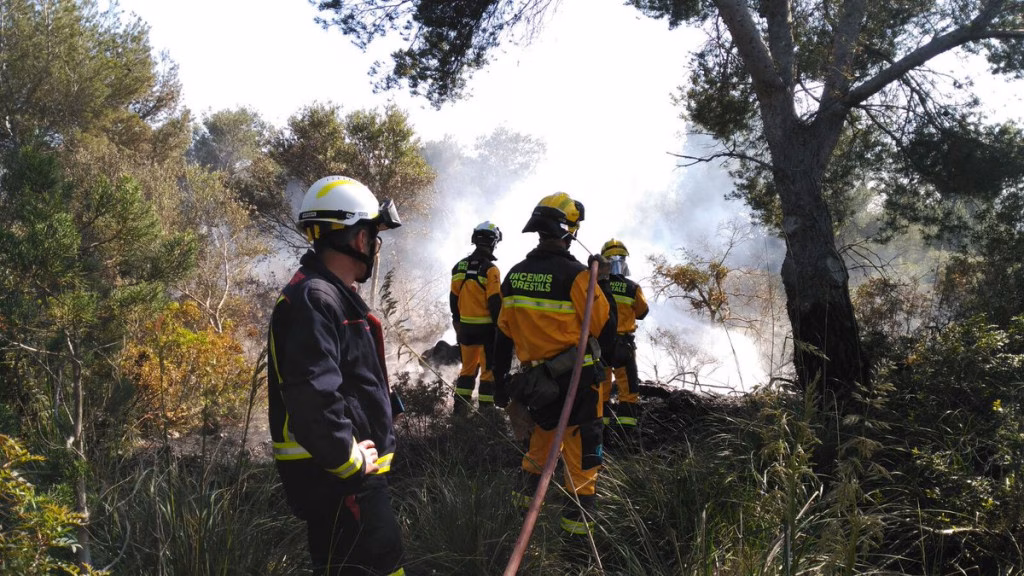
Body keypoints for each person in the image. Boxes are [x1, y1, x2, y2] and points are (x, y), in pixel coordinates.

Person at [267, 175, 407, 576]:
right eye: (373, 236)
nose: (376, 247)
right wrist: (350, 463)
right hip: (340, 481)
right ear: (360, 240)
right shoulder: (316, 299)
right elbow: (314, 394)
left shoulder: (328, 294)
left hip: (342, 479)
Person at [492, 192, 616, 540]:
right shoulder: (578, 278)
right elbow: (606, 336)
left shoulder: (515, 275)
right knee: (582, 469)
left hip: (538, 390)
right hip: (578, 392)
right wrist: (601, 282)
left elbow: (502, 337)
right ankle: (576, 551)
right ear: (569, 232)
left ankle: (516, 534)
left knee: (536, 458)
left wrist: (500, 384)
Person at [449, 221, 503, 416]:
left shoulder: (458, 267)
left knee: (467, 370)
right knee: (488, 373)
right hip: (487, 330)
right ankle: (486, 415)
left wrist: (457, 322)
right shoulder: (491, 270)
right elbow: (495, 301)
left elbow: (453, 298)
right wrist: (501, 327)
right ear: (494, 242)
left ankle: (459, 413)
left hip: (465, 330)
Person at [598, 239, 649, 433]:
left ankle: (601, 433)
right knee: (628, 390)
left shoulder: (597, 285)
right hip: (623, 345)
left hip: (600, 345)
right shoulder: (632, 287)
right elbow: (642, 312)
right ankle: (626, 435)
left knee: (601, 388)